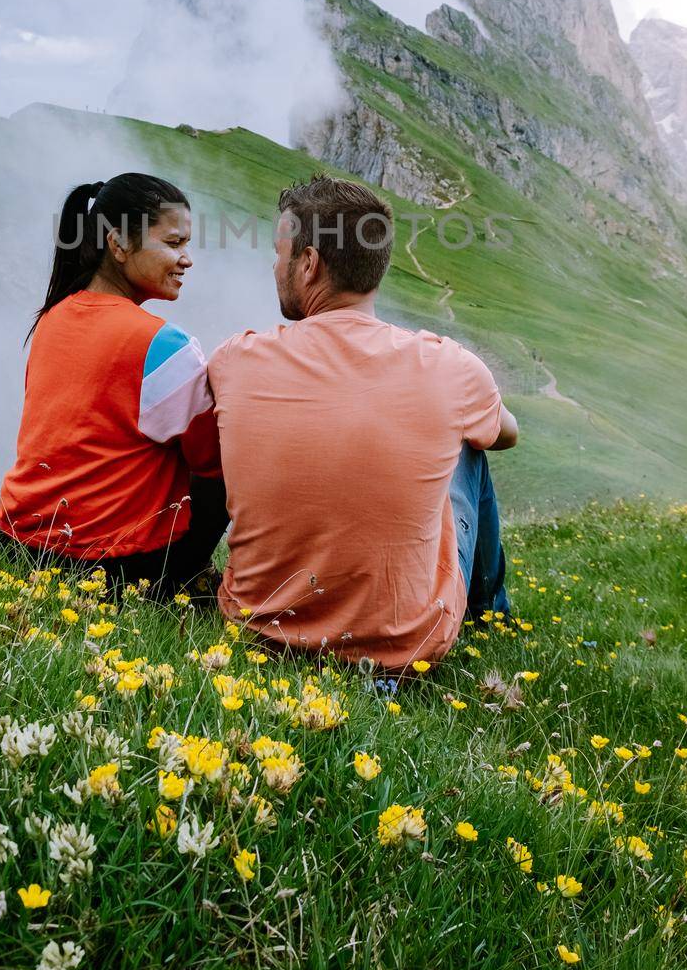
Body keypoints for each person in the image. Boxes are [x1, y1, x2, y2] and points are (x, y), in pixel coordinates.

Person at [207, 174, 517, 671]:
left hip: (259, 632)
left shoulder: (233, 361)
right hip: (404, 650)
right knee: (470, 447)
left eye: (279, 252)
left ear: (308, 265)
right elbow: (507, 432)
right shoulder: (450, 367)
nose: (273, 265)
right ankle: (491, 619)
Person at [0, 173, 227, 596]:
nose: (187, 259)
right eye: (174, 244)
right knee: (228, 466)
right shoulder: (163, 344)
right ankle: (182, 582)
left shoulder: (53, 317)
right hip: (106, 568)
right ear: (118, 245)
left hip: (16, 544)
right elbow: (212, 460)